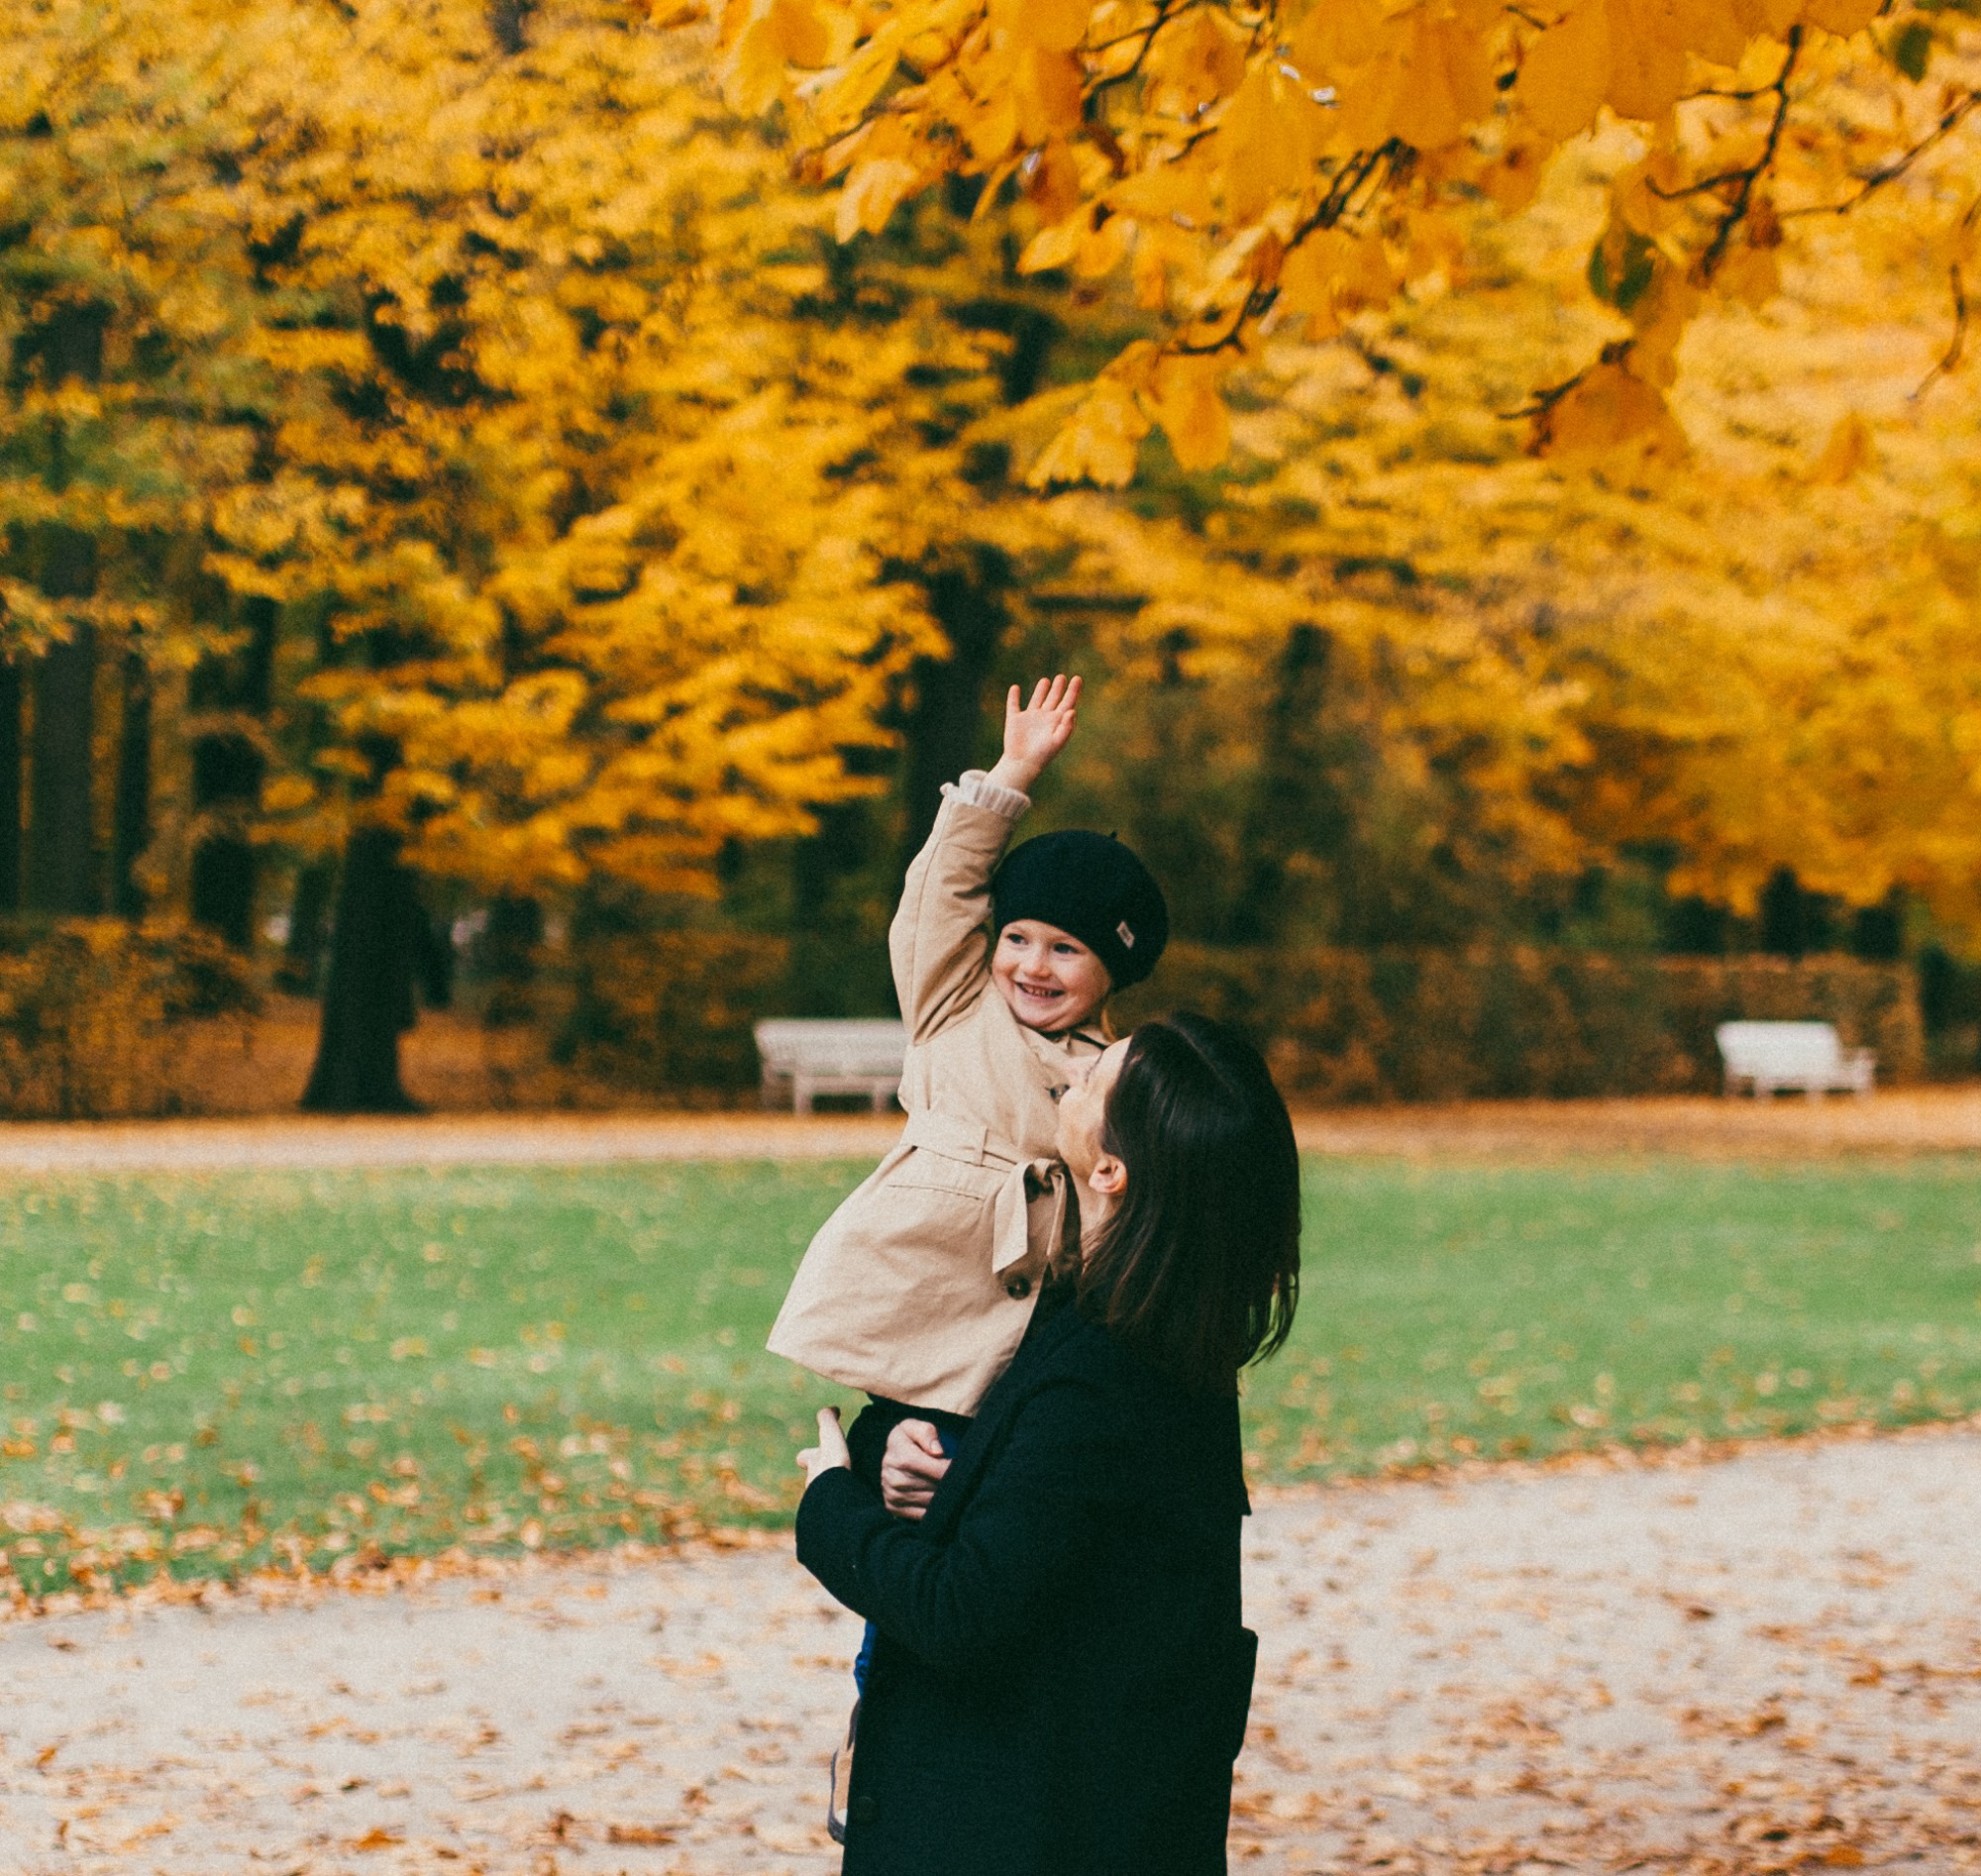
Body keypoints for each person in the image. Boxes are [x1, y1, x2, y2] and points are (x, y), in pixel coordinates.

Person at [794, 1012, 1303, 1876]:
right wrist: (894, 1447)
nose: (1083, 1068)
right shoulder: (1148, 1333)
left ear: (1110, 1169)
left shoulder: (1105, 1376)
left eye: (1104, 1078)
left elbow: (961, 1610)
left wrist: (830, 1502)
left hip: (1030, 1828)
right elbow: (1032, 1503)